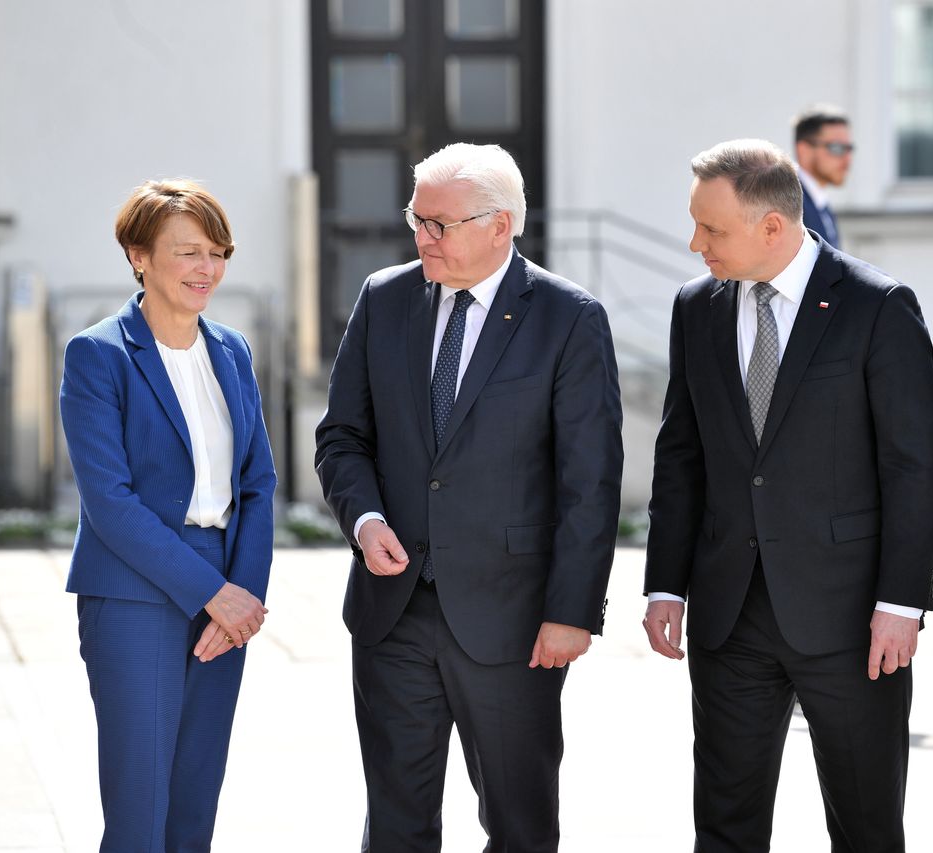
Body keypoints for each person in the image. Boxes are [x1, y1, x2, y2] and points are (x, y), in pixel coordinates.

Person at [315, 142, 623, 852]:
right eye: (416, 219)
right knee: (396, 825)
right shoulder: (383, 298)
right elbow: (342, 438)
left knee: (520, 825)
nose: (422, 237)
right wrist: (362, 520)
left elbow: (590, 481)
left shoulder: (568, 318)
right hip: (392, 614)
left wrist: (572, 611)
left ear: (500, 225)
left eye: (440, 224)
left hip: (513, 624)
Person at [642, 139, 933, 852]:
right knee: (724, 824)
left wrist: (901, 604)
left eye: (711, 229)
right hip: (729, 614)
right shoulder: (697, 308)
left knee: (866, 826)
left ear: (771, 227)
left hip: (852, 623)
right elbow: (680, 454)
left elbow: (913, 463)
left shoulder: (878, 306)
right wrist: (665, 585)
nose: (695, 244)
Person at [59, 179, 276, 851]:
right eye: (187, 251)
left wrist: (243, 595)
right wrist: (214, 593)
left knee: (193, 807)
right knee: (140, 811)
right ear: (138, 255)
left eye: (218, 252)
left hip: (224, 585)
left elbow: (258, 484)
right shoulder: (98, 355)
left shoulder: (233, 350)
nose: (206, 268)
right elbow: (110, 504)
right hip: (132, 589)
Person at [793, 105, 853, 248]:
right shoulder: (790, 204)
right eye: (836, 148)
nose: (847, 159)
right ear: (804, 150)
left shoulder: (821, 204)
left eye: (849, 149)